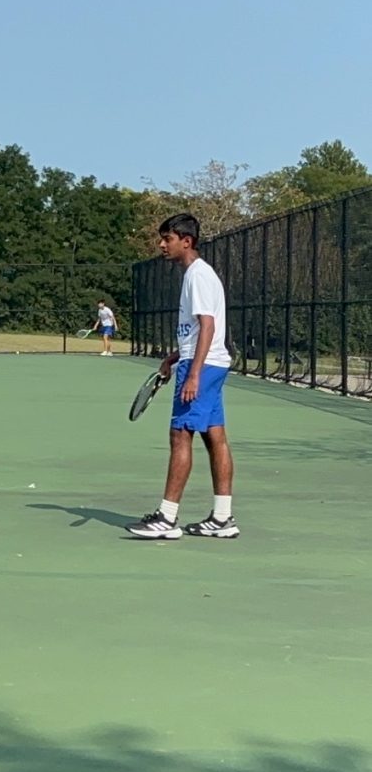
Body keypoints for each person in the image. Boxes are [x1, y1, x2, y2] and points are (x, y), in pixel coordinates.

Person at [126, 212, 238, 540]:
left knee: (180, 435)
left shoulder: (198, 276)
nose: (162, 245)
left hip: (203, 367)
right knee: (214, 437)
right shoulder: (197, 274)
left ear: (186, 241)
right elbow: (198, 330)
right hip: (209, 362)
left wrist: (193, 375)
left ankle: (167, 517)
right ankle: (222, 518)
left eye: (168, 239)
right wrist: (175, 357)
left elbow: (208, 326)